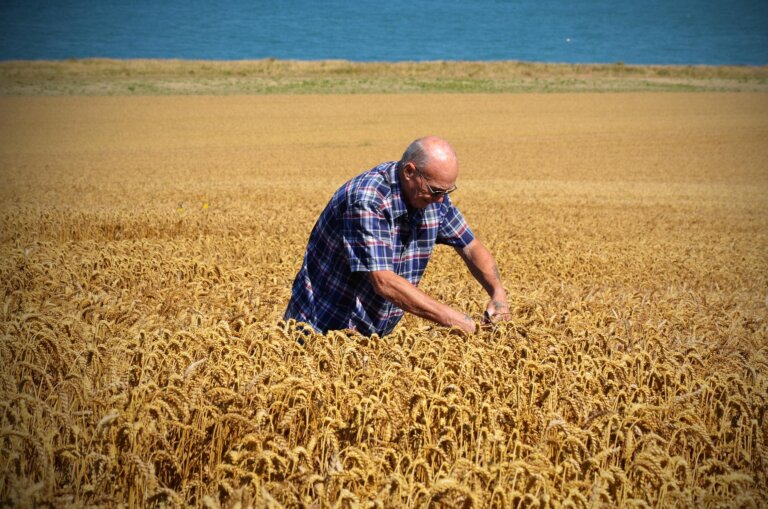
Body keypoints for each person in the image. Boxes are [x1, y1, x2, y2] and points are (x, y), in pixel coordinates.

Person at [284, 136, 510, 337]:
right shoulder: (368, 200)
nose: (441, 200)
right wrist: (456, 320)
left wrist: (498, 295)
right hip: (318, 330)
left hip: (369, 338)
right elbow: (384, 281)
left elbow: (470, 246)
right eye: (436, 191)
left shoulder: (433, 199)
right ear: (409, 172)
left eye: (447, 192)